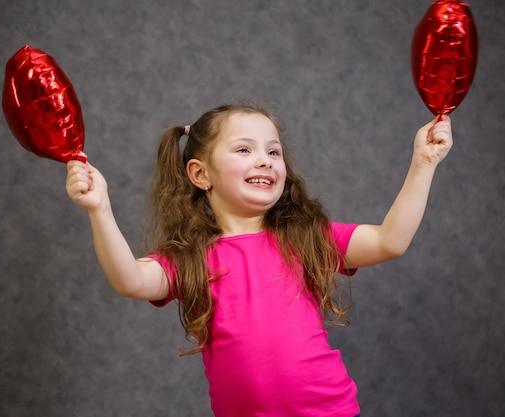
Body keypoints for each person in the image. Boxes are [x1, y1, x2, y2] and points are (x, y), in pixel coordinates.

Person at [65, 103, 453, 417]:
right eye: (244, 149)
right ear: (200, 174)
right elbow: (130, 280)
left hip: (330, 411)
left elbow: (390, 241)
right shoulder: (191, 258)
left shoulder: (304, 237)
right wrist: (99, 209)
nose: (265, 160)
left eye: (274, 151)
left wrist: (424, 164)